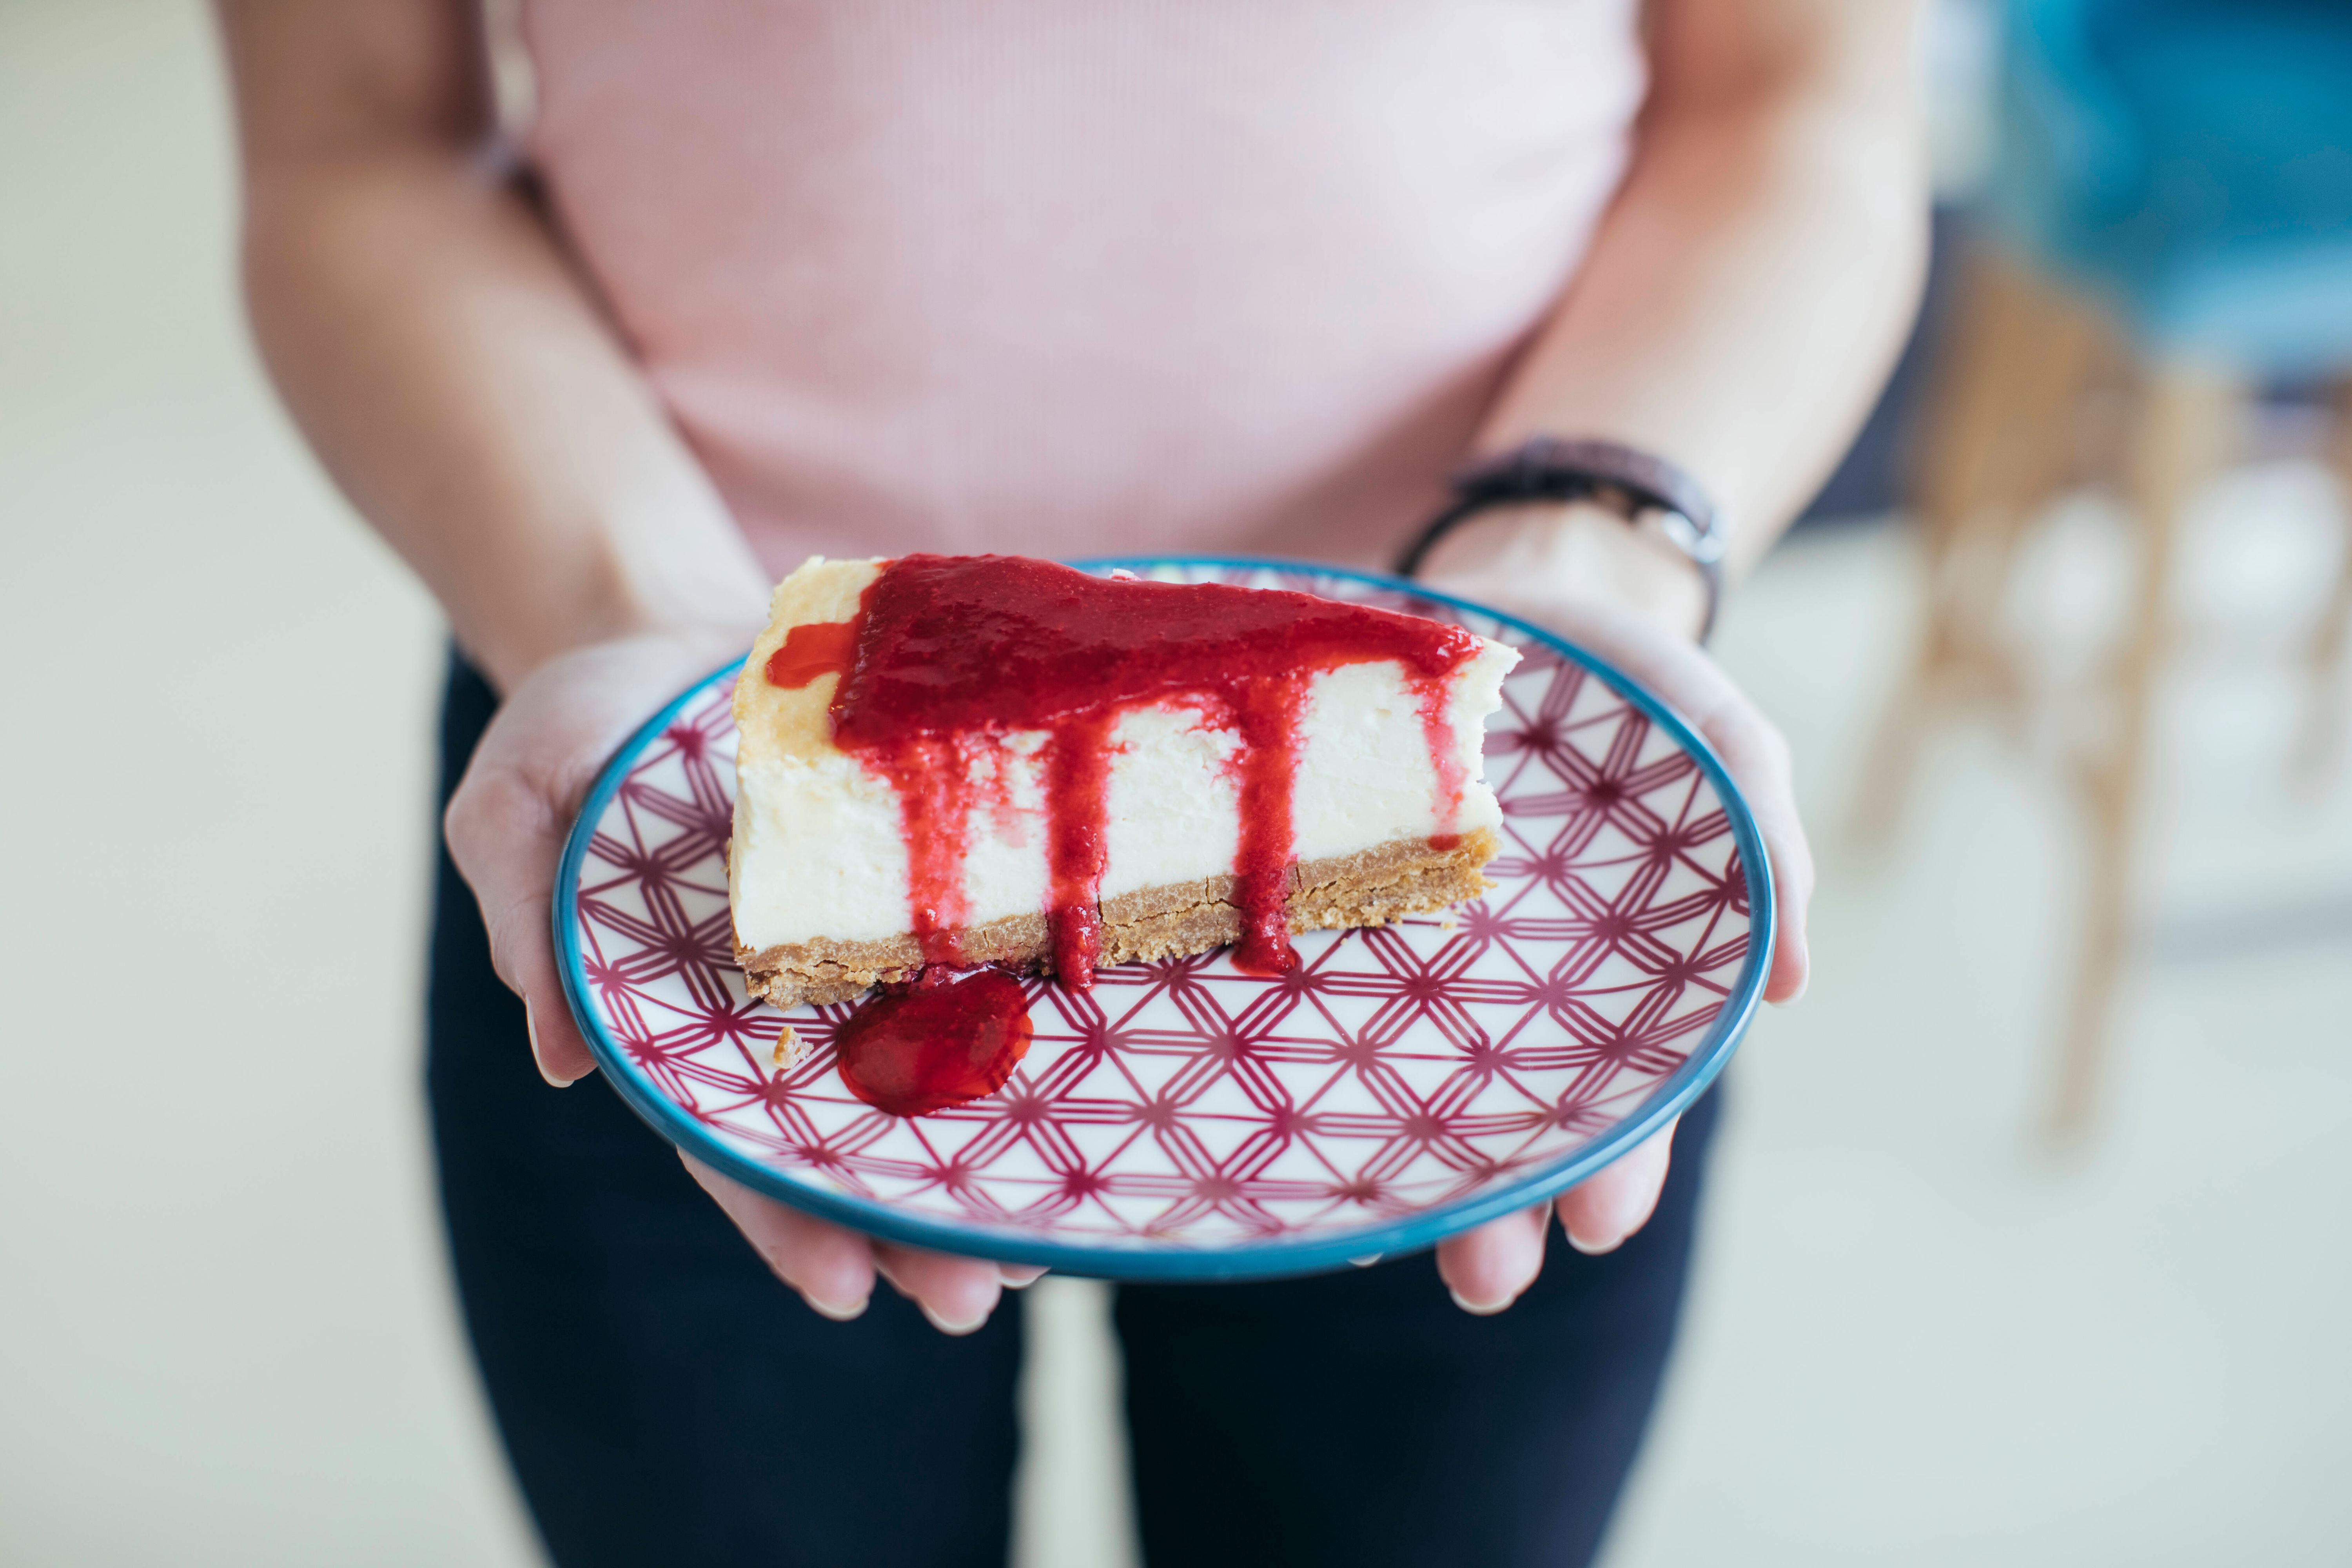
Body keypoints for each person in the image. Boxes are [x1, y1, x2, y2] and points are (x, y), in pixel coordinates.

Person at [215, 2, 1919, 1563]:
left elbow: (1795, 99)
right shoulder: (655, 767)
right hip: (671, 768)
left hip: (1496, 883)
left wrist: (1592, 542)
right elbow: (361, 144)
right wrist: (619, 609)